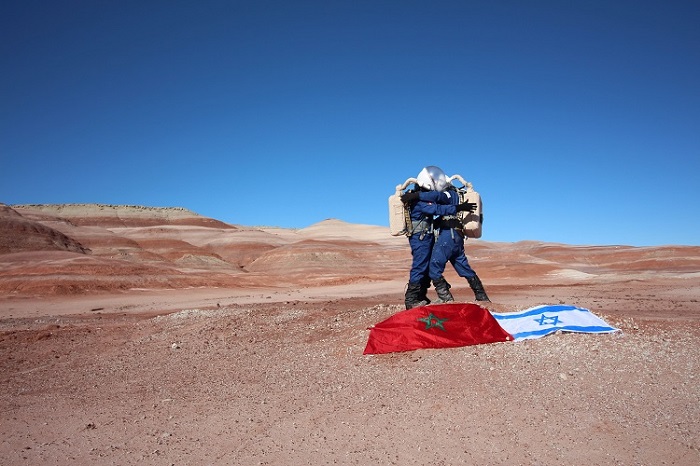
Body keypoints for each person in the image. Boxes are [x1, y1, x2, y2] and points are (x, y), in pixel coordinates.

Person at [399, 166, 476, 308]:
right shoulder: (419, 201)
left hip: (425, 236)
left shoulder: (417, 196)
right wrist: (458, 208)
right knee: (420, 266)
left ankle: (421, 296)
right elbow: (437, 209)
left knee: (426, 266)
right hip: (421, 238)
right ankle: (411, 301)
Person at [427, 181, 490, 302]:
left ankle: (445, 297)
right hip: (457, 236)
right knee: (463, 266)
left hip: (447, 235)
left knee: (434, 266)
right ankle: (481, 295)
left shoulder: (447, 194)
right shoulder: (458, 196)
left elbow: (436, 205)